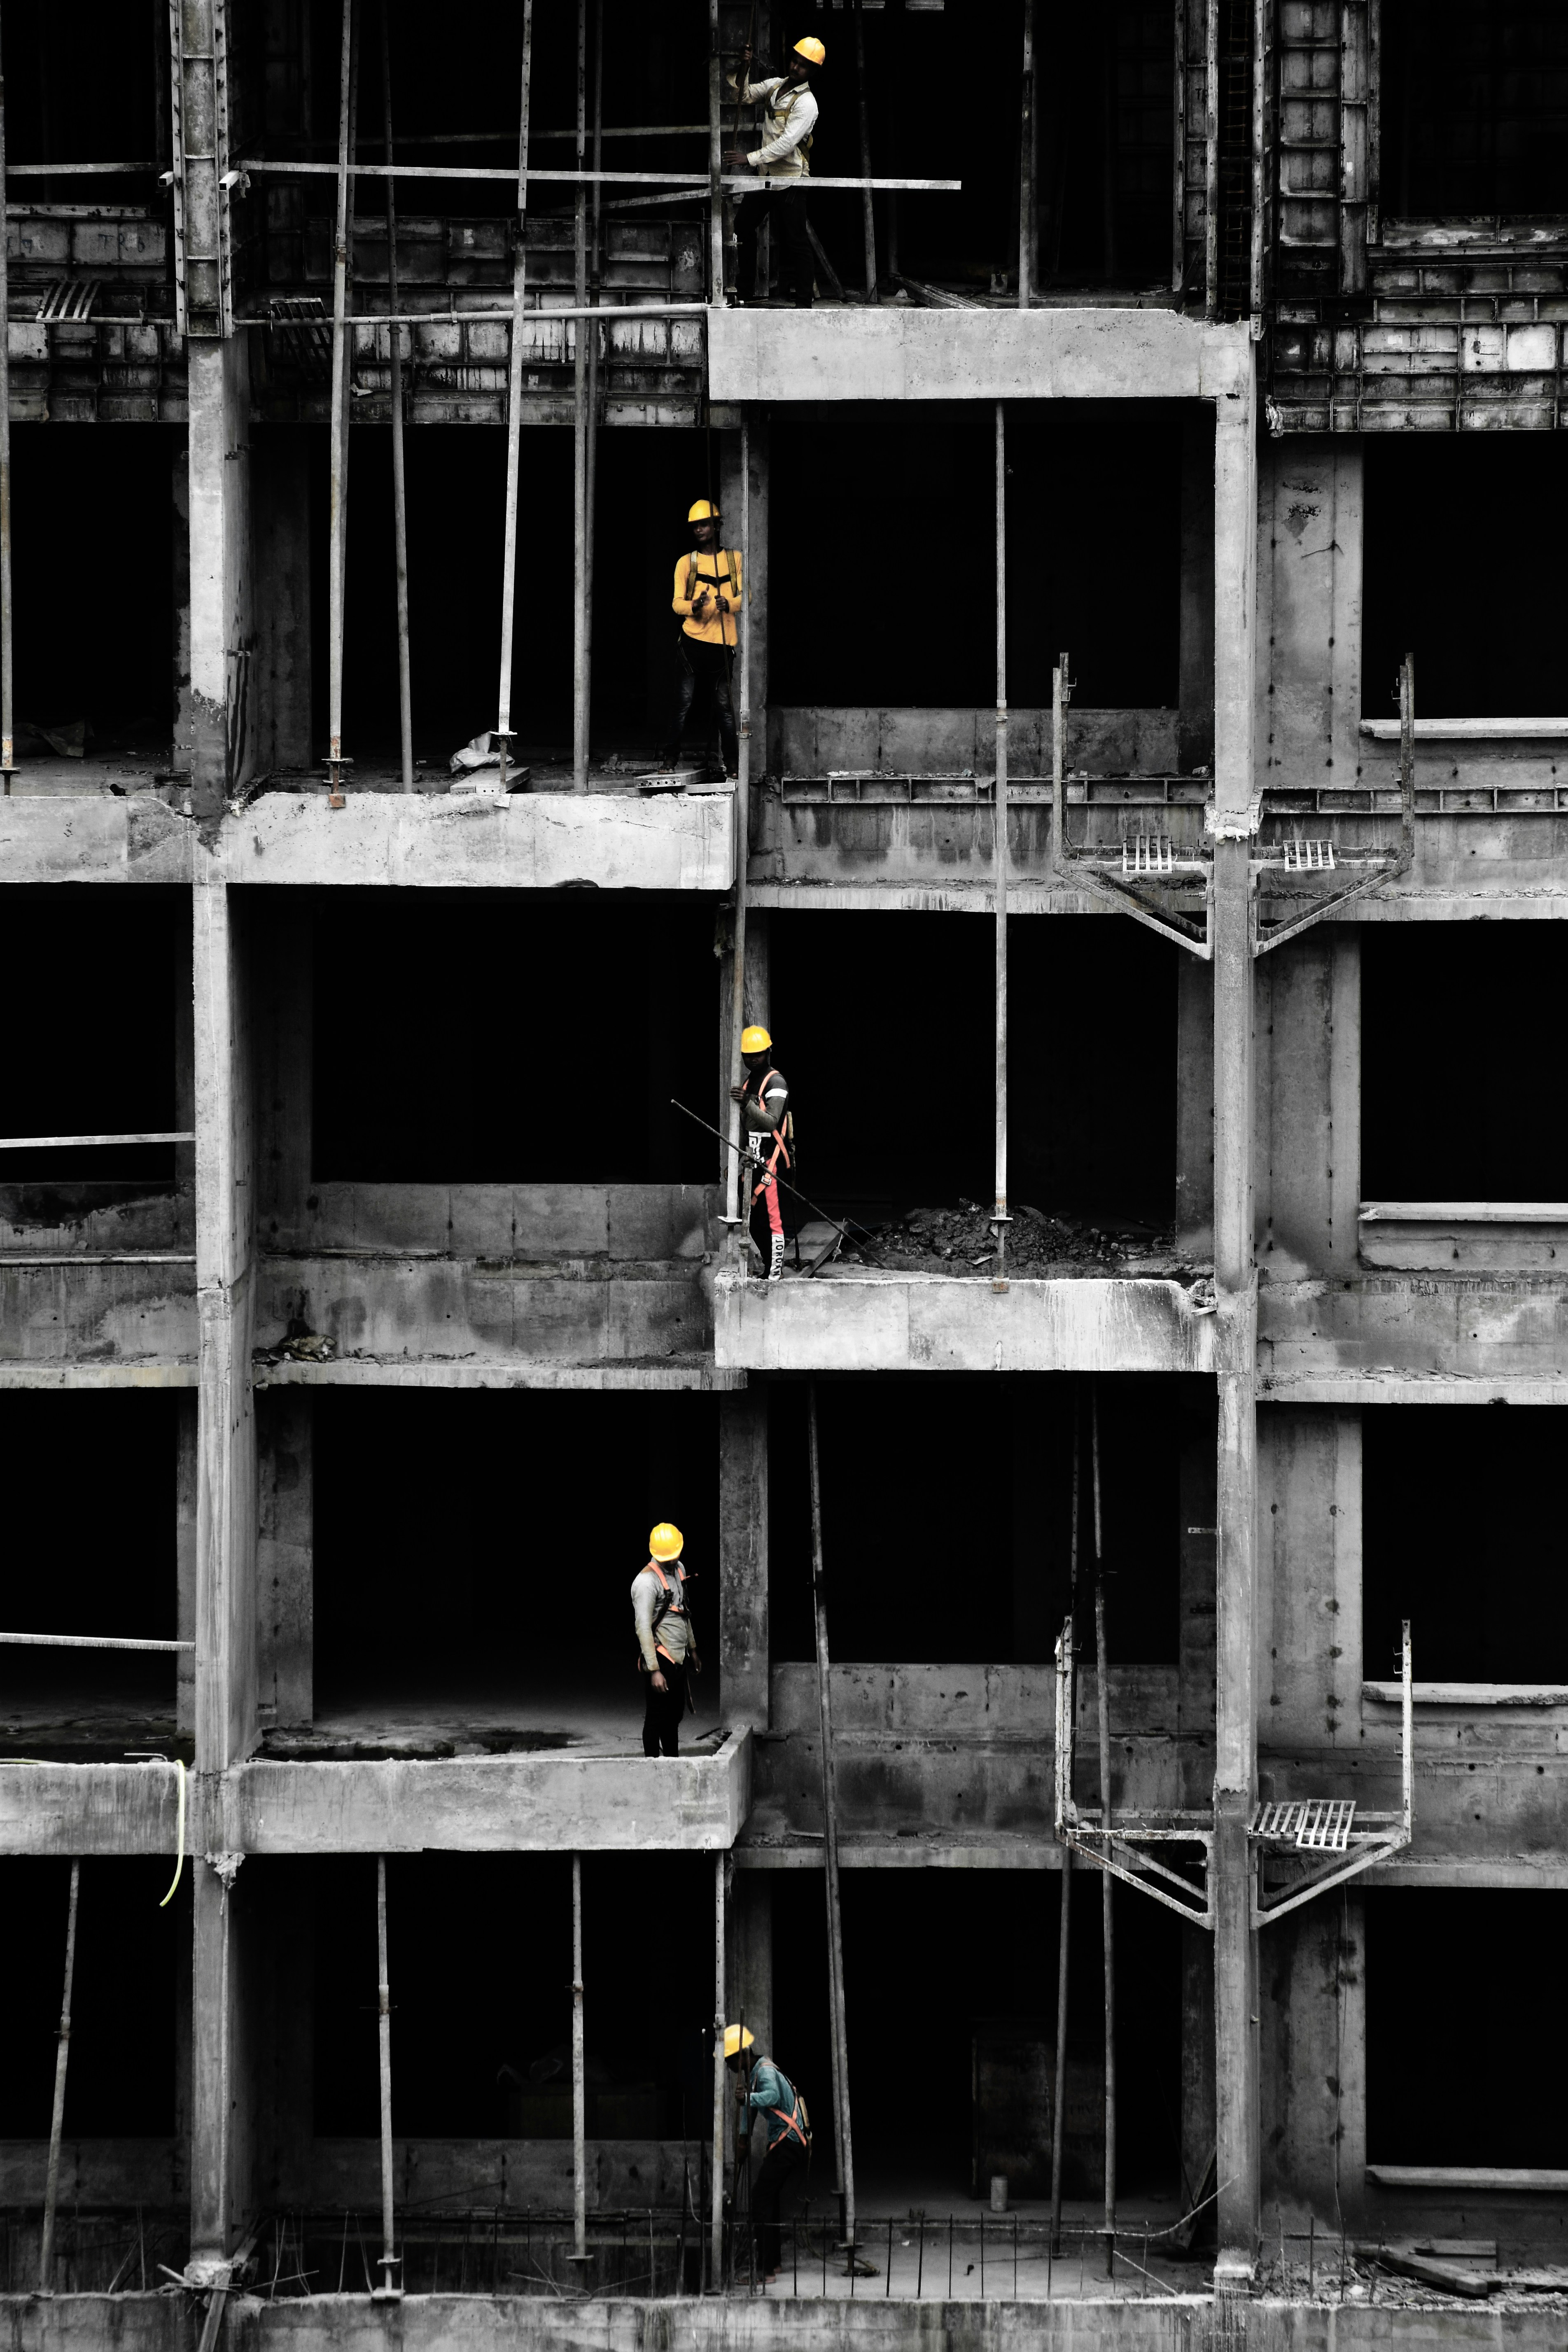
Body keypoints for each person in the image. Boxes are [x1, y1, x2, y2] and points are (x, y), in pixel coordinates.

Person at [724, 37, 825, 309]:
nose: (796, 67)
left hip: (791, 180)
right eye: (795, 61)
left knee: (796, 242)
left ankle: (804, 305)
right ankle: (744, 292)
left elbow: (786, 144)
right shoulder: (774, 87)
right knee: (743, 225)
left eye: (803, 66)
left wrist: (750, 158)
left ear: (812, 72)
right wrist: (743, 68)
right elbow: (742, 95)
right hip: (767, 178)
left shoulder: (807, 104)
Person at [726, 2025, 811, 2284]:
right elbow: (748, 2114)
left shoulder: (764, 2072)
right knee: (769, 2199)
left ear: (741, 2055)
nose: (729, 2066)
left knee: (760, 2200)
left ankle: (764, 2271)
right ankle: (772, 2264)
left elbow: (770, 2095)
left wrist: (748, 2097)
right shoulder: (754, 2075)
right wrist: (743, 2143)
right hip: (785, 2144)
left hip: (789, 2143)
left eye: (730, 2060)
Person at [663, 499, 741, 779]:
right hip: (692, 644)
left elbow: (749, 596)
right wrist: (694, 606)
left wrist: (729, 604)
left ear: (717, 526)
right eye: (695, 526)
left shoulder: (735, 560)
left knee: (724, 709)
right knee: (682, 704)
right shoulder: (687, 563)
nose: (699, 530)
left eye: (704, 524)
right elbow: (675, 604)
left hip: (722, 646)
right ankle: (669, 759)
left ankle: (733, 765)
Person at [631, 1522, 698, 1758]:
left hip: (679, 1657)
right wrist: (654, 1671)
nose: (671, 1561)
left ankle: (672, 1762)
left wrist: (693, 1648)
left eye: (674, 1556)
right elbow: (643, 1629)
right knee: (657, 1717)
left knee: (674, 1717)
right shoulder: (646, 1583)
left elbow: (683, 1610)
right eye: (666, 1558)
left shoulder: (679, 1569)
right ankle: (653, 1766)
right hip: (661, 1657)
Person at [732, 1024, 791, 1283]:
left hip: (772, 1161)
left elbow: (771, 1123)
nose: (753, 1058)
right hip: (752, 1160)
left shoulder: (776, 1081)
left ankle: (775, 1274)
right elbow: (747, 1128)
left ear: (768, 1052)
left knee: (773, 1221)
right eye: (748, 1054)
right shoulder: (748, 1081)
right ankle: (768, 1266)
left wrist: (746, 1102)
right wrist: (737, 1161)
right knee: (753, 1220)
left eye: (758, 1053)